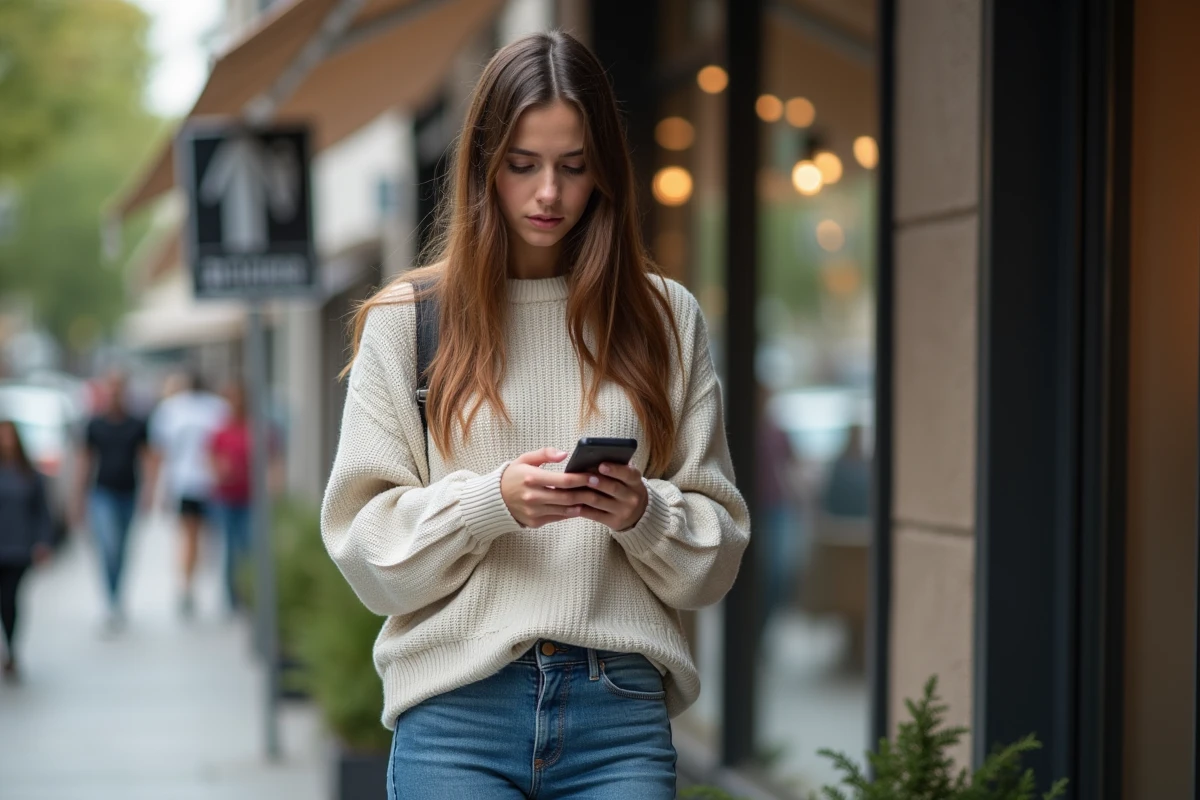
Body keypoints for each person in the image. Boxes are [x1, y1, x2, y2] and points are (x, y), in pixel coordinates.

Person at [321, 31, 750, 799]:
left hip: (617, 711)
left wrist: (643, 511)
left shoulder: (664, 318)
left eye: (572, 166)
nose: (547, 192)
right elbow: (365, 548)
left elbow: (717, 556)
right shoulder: (408, 320)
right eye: (522, 165)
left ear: (605, 172)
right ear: (484, 167)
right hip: (455, 708)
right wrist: (492, 505)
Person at [146, 371, 229, 618]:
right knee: (196, 536)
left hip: (194, 482)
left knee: (193, 537)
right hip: (197, 482)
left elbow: (159, 452)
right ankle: (189, 584)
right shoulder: (215, 408)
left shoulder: (172, 409)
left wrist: (158, 487)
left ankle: (189, 584)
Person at [74, 371, 151, 632]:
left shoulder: (137, 423)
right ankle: (110, 601)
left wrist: (150, 491)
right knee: (108, 546)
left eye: (119, 387)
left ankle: (117, 598)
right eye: (112, 387)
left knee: (122, 550)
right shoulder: (95, 425)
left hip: (128, 493)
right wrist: (78, 497)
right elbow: (85, 460)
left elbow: (146, 457)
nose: (115, 392)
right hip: (102, 493)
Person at [0, 420, 53, 680]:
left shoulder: (29, 474)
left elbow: (42, 512)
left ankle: (11, 648)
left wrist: (43, 542)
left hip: (18, 548)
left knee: (9, 600)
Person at [207, 382, 253, 613]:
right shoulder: (220, 431)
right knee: (229, 548)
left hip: (250, 498)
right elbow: (210, 460)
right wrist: (220, 471)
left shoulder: (255, 429)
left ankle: (246, 593)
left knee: (248, 546)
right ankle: (231, 597)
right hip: (226, 498)